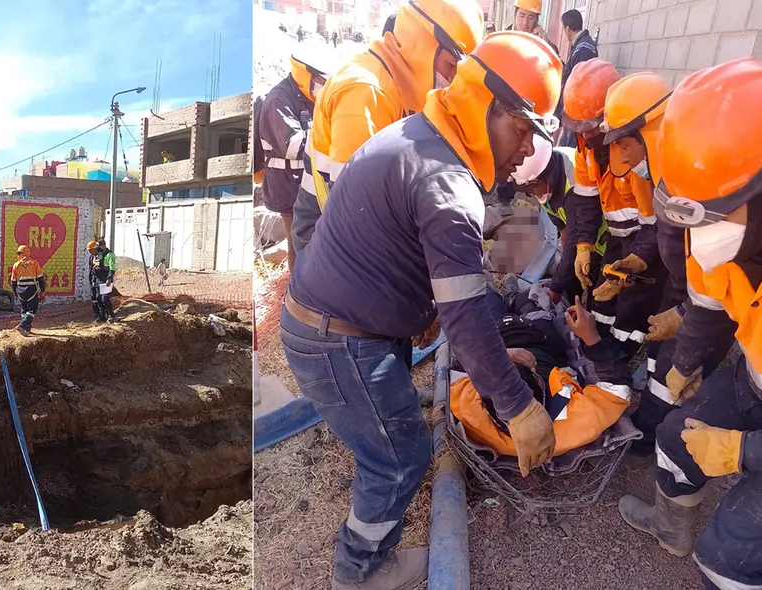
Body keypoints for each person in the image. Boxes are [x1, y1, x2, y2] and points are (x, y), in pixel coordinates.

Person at [281, 31, 561, 589]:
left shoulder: (420, 137)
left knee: (392, 441)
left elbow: (429, 278)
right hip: (340, 341)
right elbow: (464, 314)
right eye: (524, 130)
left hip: (330, 324)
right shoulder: (447, 183)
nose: (528, 152)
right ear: (488, 105)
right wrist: (520, 409)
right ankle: (357, 572)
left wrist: (434, 315)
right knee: (401, 456)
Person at [617, 58, 762, 590]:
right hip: (755, 380)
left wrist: (742, 452)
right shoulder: (737, 245)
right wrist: (682, 369)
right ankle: (670, 528)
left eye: (715, 215)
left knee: (728, 559)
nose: (704, 243)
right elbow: (707, 305)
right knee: (677, 434)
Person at [601, 72, 737, 454]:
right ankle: (656, 419)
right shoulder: (668, 174)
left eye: (626, 143)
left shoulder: (699, 181)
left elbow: (724, 280)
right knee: (662, 362)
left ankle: (656, 443)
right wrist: (638, 261)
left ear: (650, 132)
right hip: (684, 291)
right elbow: (665, 237)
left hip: (707, 305)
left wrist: (682, 312)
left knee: (677, 373)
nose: (622, 156)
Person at [291, 0, 485, 257]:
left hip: (346, 222)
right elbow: (356, 211)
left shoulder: (400, 84)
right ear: (424, 43)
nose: (451, 79)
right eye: (450, 66)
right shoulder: (365, 92)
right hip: (325, 234)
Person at [561, 59, 665, 360]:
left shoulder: (637, 157)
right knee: (602, 299)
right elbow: (586, 201)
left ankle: (620, 355)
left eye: (591, 128)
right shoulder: (585, 149)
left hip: (646, 243)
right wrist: (583, 245)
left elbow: (653, 224)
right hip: (619, 240)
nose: (586, 136)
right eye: (579, 129)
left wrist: (637, 261)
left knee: (633, 303)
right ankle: (599, 343)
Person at [451, 291, 634, 459]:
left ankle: (505, 293)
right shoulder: (569, 424)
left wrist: (499, 356)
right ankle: (514, 295)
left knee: (487, 298)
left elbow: (457, 366)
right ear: (539, 383)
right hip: (541, 340)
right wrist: (591, 337)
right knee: (527, 302)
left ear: (485, 394)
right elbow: (618, 389)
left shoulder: (473, 413)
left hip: (497, 338)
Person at [509, 134, 607, 304]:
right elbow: (564, 232)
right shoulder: (545, 176)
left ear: (545, 175)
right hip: (584, 240)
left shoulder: (574, 183)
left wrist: (555, 289)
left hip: (604, 241)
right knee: (573, 279)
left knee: (599, 296)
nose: (532, 194)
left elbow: (573, 241)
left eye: (532, 187)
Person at [257, 53, 330, 271]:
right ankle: (298, 292)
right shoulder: (279, 99)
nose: (323, 87)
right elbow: (292, 145)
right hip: (287, 189)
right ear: (307, 75)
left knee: (310, 241)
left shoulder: (307, 95)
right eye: (321, 81)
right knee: (298, 244)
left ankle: (306, 288)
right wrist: (330, 136)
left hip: (307, 187)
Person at [494, 0, 558, 211]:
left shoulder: (544, 46)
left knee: (526, 152)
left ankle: (528, 191)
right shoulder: (504, 42)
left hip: (533, 112)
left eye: (531, 18)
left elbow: (555, 77)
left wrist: (548, 44)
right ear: (515, 14)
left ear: (537, 21)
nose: (525, 22)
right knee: (505, 148)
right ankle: (504, 197)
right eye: (522, 16)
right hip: (506, 109)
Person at [554, 9, 597, 148]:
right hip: (573, 110)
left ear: (567, 28)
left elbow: (579, 81)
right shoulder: (581, 45)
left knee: (569, 149)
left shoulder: (583, 48)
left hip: (577, 111)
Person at [10, 245, 46, 336]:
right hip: (31, 290)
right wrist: (43, 291)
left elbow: (13, 281)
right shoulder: (34, 263)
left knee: (24, 309)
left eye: (19, 253)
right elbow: (40, 279)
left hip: (20, 290)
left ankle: (27, 329)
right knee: (32, 309)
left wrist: (15, 292)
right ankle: (23, 325)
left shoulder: (16, 265)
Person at [87, 239, 117, 323]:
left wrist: (109, 278)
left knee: (105, 298)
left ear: (103, 246)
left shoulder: (110, 255)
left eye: (98, 247)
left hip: (105, 279)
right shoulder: (97, 255)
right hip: (97, 279)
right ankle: (102, 316)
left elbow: (112, 267)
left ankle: (111, 315)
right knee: (98, 298)